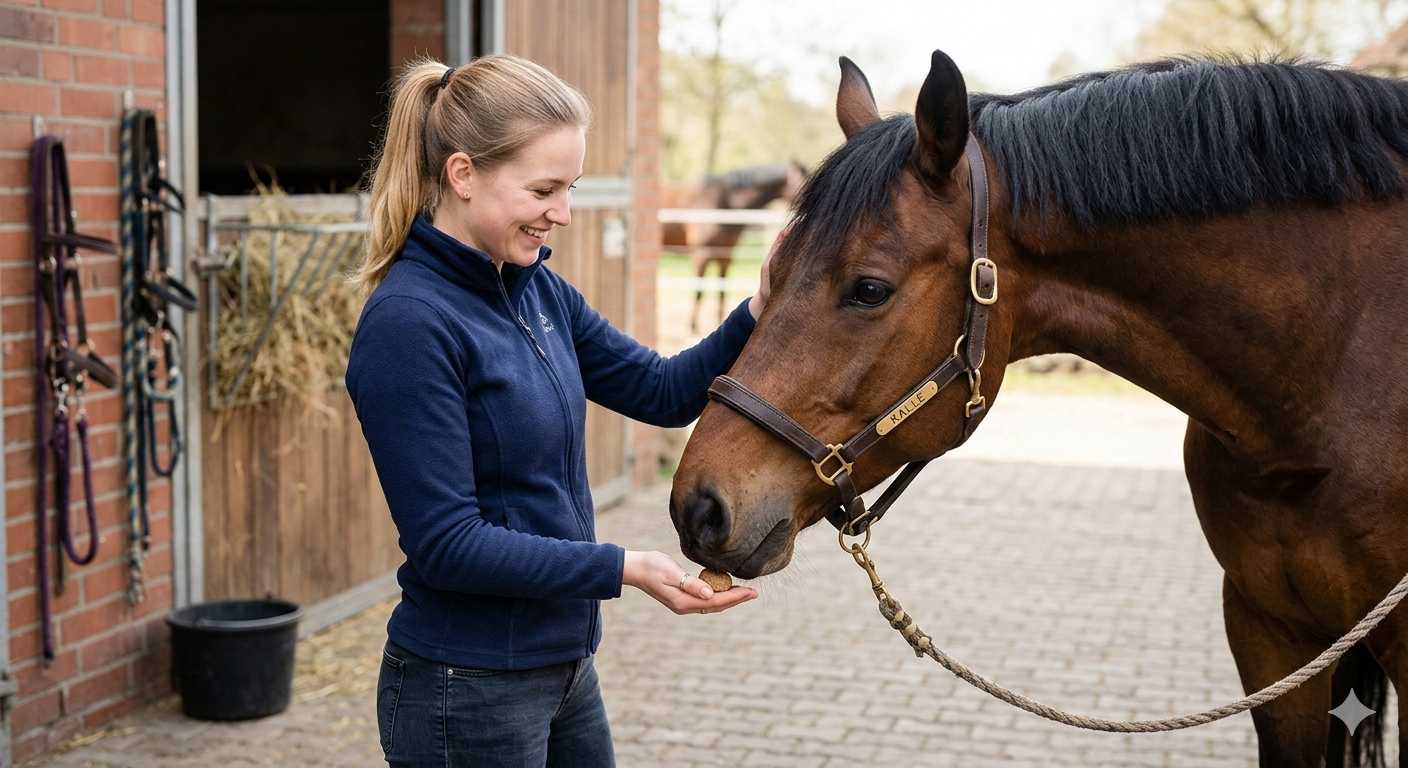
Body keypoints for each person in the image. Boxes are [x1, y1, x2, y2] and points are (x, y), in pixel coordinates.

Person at [345, 55, 774, 768]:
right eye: (543, 188)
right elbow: (449, 543)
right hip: (467, 688)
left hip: (565, 671)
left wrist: (762, 306)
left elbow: (662, 391)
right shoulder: (409, 325)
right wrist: (621, 567)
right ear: (462, 175)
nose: (564, 212)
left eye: (569, 187)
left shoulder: (539, 292)